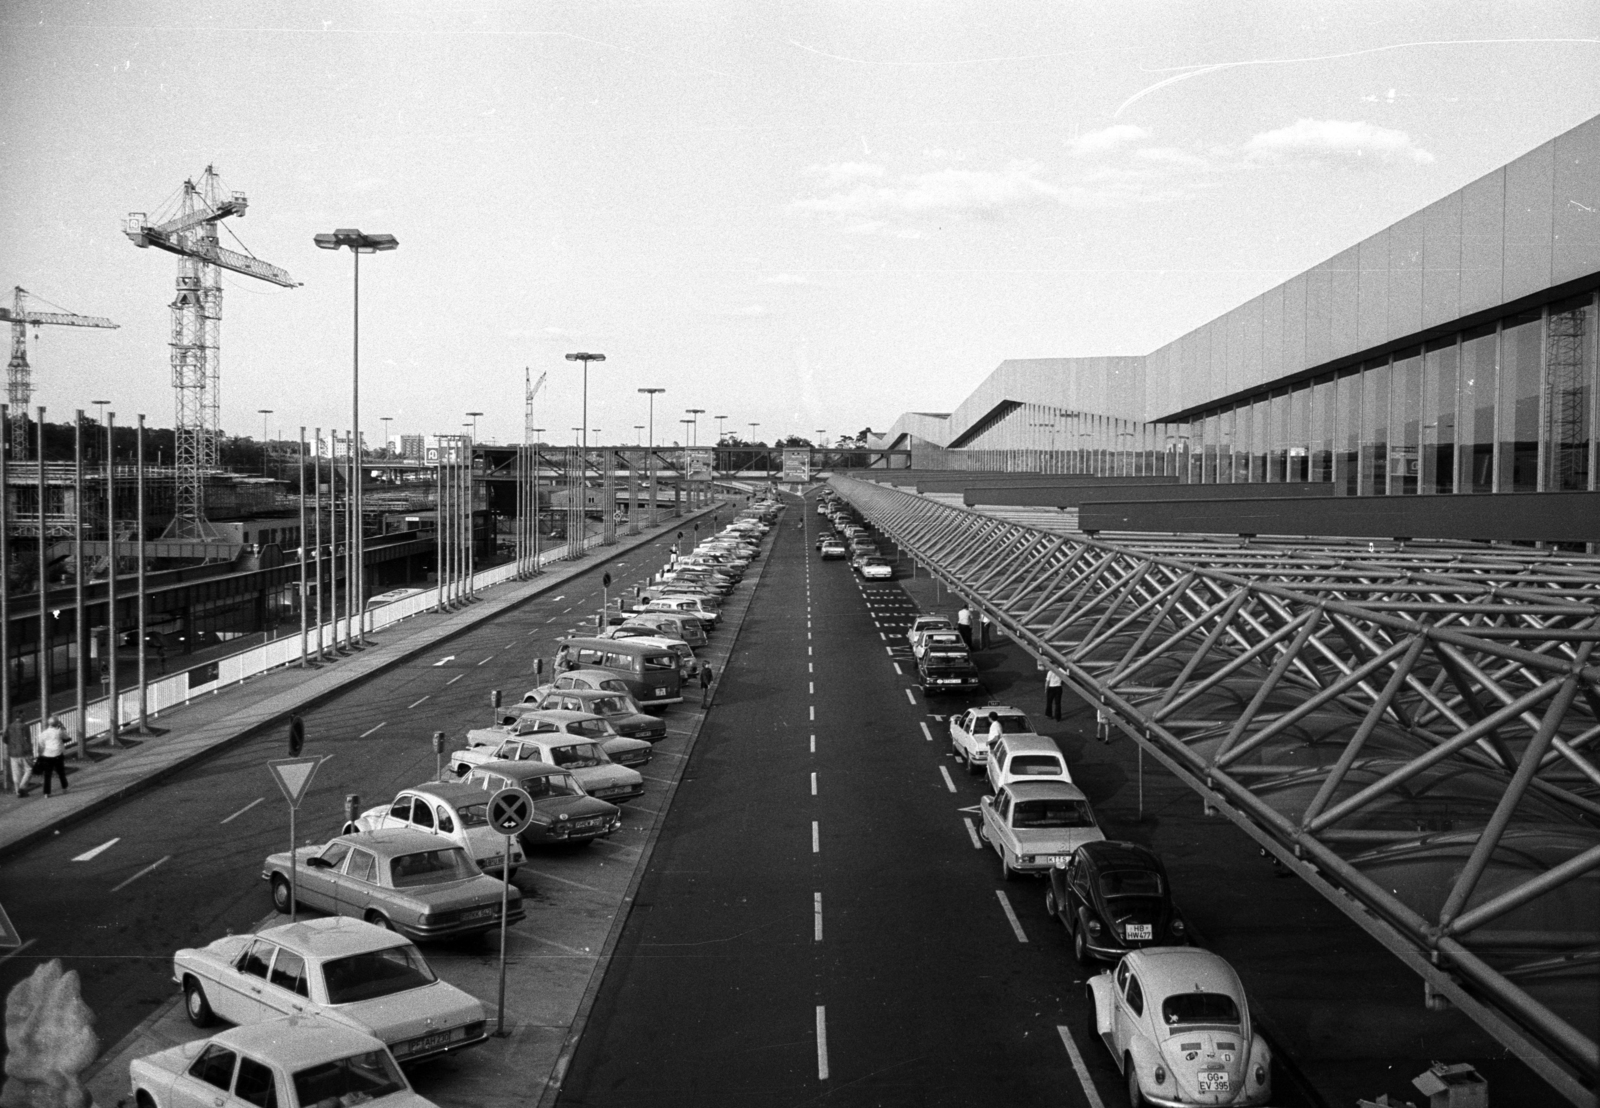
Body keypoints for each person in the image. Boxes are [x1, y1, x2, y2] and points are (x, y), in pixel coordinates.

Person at [33, 716, 67, 798]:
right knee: (61, 772)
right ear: (57, 723)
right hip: (57, 755)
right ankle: (64, 788)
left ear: (49, 724)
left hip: (47, 756)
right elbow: (66, 737)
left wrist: (42, 753)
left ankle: (46, 793)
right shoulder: (59, 732)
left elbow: (41, 744)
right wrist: (62, 727)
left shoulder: (44, 733)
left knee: (47, 775)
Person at [5, 710, 30, 798]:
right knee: (29, 769)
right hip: (23, 752)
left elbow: (5, 738)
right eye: (24, 715)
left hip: (12, 753)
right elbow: (28, 740)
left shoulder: (9, 726)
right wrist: (30, 751)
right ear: (21, 716)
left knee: (16, 773)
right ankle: (22, 788)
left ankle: (18, 792)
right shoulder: (25, 726)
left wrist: (11, 745)